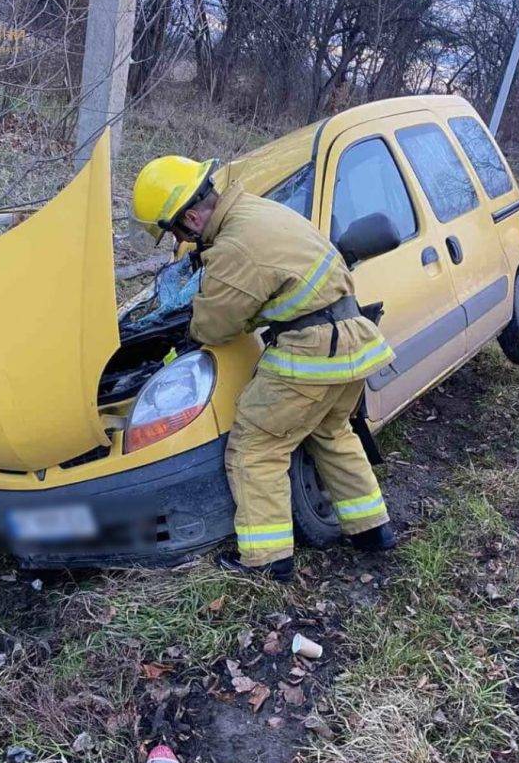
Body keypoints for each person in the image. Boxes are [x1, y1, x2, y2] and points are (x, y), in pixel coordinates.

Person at [132, 155, 396, 583]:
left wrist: (189, 323)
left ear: (192, 218)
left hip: (311, 352)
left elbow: (214, 326)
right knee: (332, 433)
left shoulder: (233, 246)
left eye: (175, 232)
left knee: (255, 448)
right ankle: (372, 530)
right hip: (353, 338)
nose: (180, 241)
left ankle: (267, 559)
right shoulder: (259, 211)